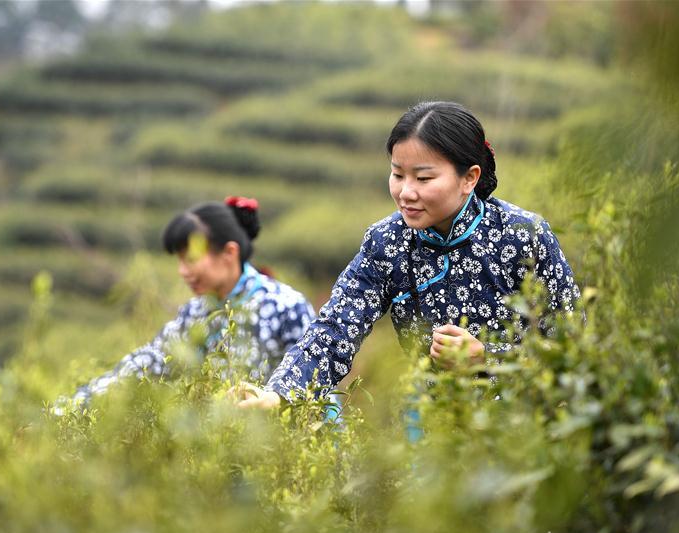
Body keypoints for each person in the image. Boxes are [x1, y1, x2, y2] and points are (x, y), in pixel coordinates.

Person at [237, 101, 580, 408]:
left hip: (527, 426)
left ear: (469, 178)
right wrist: (277, 395)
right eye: (397, 174)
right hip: (431, 429)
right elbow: (336, 328)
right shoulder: (388, 242)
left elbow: (574, 345)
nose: (405, 192)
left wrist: (487, 357)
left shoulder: (522, 235)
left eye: (423, 178)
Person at [57, 197, 316, 413]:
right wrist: (71, 408)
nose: (183, 271)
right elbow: (148, 363)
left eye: (190, 259)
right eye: (179, 261)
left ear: (229, 253)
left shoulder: (286, 307)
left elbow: (317, 387)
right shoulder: (195, 314)